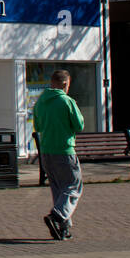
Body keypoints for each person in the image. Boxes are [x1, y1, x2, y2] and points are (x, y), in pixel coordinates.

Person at [32, 69, 85, 240]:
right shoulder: (67, 101)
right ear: (64, 84)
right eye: (68, 85)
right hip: (64, 150)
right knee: (73, 186)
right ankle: (57, 216)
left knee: (58, 190)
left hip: (47, 151)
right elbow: (79, 125)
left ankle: (63, 228)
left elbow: (38, 126)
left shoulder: (40, 102)